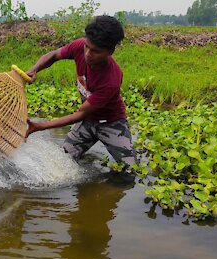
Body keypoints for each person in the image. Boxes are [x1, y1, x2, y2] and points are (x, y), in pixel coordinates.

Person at [25, 15, 137, 170]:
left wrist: (40, 126)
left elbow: (80, 114)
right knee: (63, 161)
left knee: (130, 170)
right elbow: (54, 55)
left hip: (111, 123)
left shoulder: (111, 80)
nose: (88, 54)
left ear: (110, 51)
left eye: (96, 51)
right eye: (87, 47)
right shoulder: (80, 46)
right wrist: (34, 69)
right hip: (88, 121)